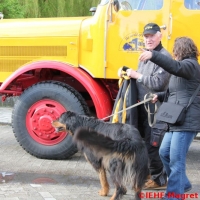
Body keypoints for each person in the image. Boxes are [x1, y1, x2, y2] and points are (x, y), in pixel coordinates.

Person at [139, 36, 200, 199]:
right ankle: (184, 183)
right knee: (164, 152)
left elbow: (175, 67)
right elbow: (173, 91)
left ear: (181, 50)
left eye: (175, 50)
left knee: (176, 159)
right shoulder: (183, 68)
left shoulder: (191, 66)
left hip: (187, 120)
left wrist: (154, 55)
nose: (173, 53)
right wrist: (158, 96)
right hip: (176, 118)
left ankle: (173, 195)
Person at [118, 23, 171, 189]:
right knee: (142, 143)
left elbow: (158, 83)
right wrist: (126, 71)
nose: (148, 39)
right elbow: (141, 77)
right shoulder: (145, 55)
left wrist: (136, 75)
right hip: (143, 107)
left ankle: (160, 180)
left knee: (153, 144)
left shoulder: (164, 57)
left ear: (160, 36)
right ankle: (149, 173)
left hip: (156, 109)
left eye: (152, 36)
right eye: (146, 36)